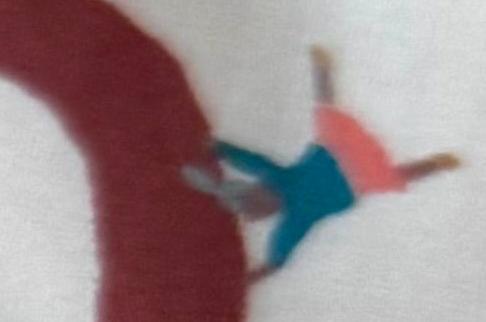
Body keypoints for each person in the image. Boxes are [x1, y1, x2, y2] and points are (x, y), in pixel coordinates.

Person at [189, 47, 459, 275]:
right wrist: (259, 273)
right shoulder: (296, 218)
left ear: (258, 188)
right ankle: (437, 164)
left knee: (327, 116)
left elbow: (251, 161)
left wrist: (220, 148)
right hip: (355, 179)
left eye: (256, 200)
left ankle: (322, 70)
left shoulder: (279, 181)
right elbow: (280, 250)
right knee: (389, 177)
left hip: (334, 151)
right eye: (258, 209)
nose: (263, 205)